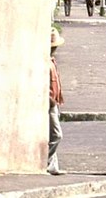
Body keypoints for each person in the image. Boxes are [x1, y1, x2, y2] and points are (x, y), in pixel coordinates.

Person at [47, 28, 65, 175]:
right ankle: (46, 161)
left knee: (52, 134)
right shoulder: (46, 63)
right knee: (56, 135)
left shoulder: (52, 61)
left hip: (55, 102)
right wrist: (51, 99)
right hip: (50, 103)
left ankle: (53, 166)